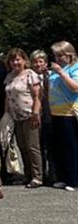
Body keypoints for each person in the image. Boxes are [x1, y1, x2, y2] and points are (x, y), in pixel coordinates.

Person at [4, 48, 43, 188]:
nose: (15, 62)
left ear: (24, 60)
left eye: (18, 59)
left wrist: (36, 113)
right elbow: (7, 97)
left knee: (33, 147)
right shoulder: (9, 76)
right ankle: (28, 175)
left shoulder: (30, 74)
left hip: (29, 115)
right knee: (22, 147)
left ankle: (38, 176)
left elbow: (38, 96)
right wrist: (6, 115)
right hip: (16, 117)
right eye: (12, 60)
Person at [48, 41, 78, 191]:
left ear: (69, 55)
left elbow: (75, 88)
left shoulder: (74, 68)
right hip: (55, 112)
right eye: (56, 55)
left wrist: (61, 73)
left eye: (61, 55)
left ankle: (73, 180)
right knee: (59, 147)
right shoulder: (56, 70)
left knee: (71, 147)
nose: (58, 58)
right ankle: (63, 177)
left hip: (69, 112)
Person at [31, 50, 56, 185]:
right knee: (38, 146)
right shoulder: (30, 76)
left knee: (51, 146)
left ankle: (53, 175)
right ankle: (41, 174)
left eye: (41, 61)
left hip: (51, 113)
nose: (38, 64)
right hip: (35, 115)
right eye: (35, 62)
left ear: (46, 63)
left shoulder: (52, 75)